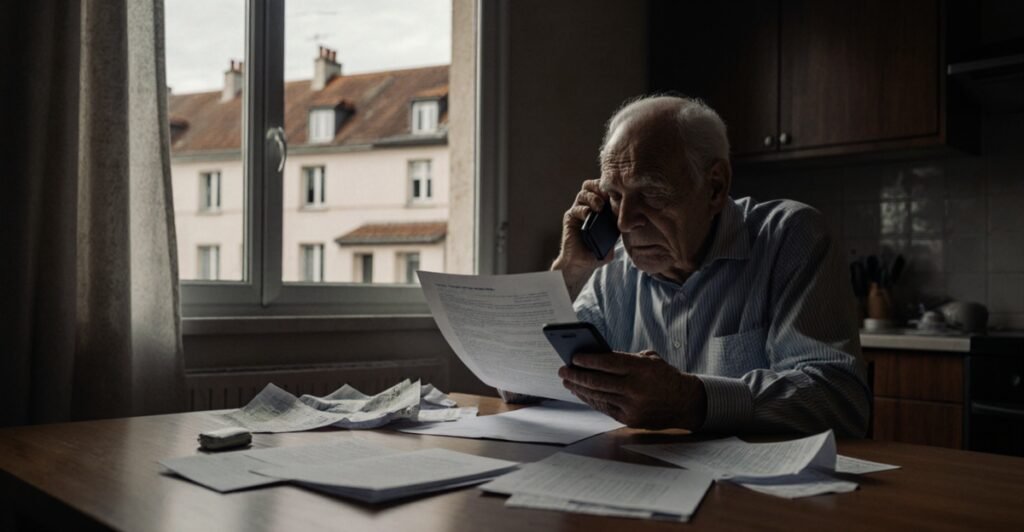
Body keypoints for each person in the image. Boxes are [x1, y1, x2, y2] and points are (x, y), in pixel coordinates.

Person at [519, 95, 870, 436]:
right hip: (642, 480)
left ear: (715, 187)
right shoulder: (610, 270)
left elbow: (840, 401)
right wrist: (568, 269)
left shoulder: (790, 238)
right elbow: (519, 384)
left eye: (652, 193)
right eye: (615, 196)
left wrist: (691, 400)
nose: (625, 222)